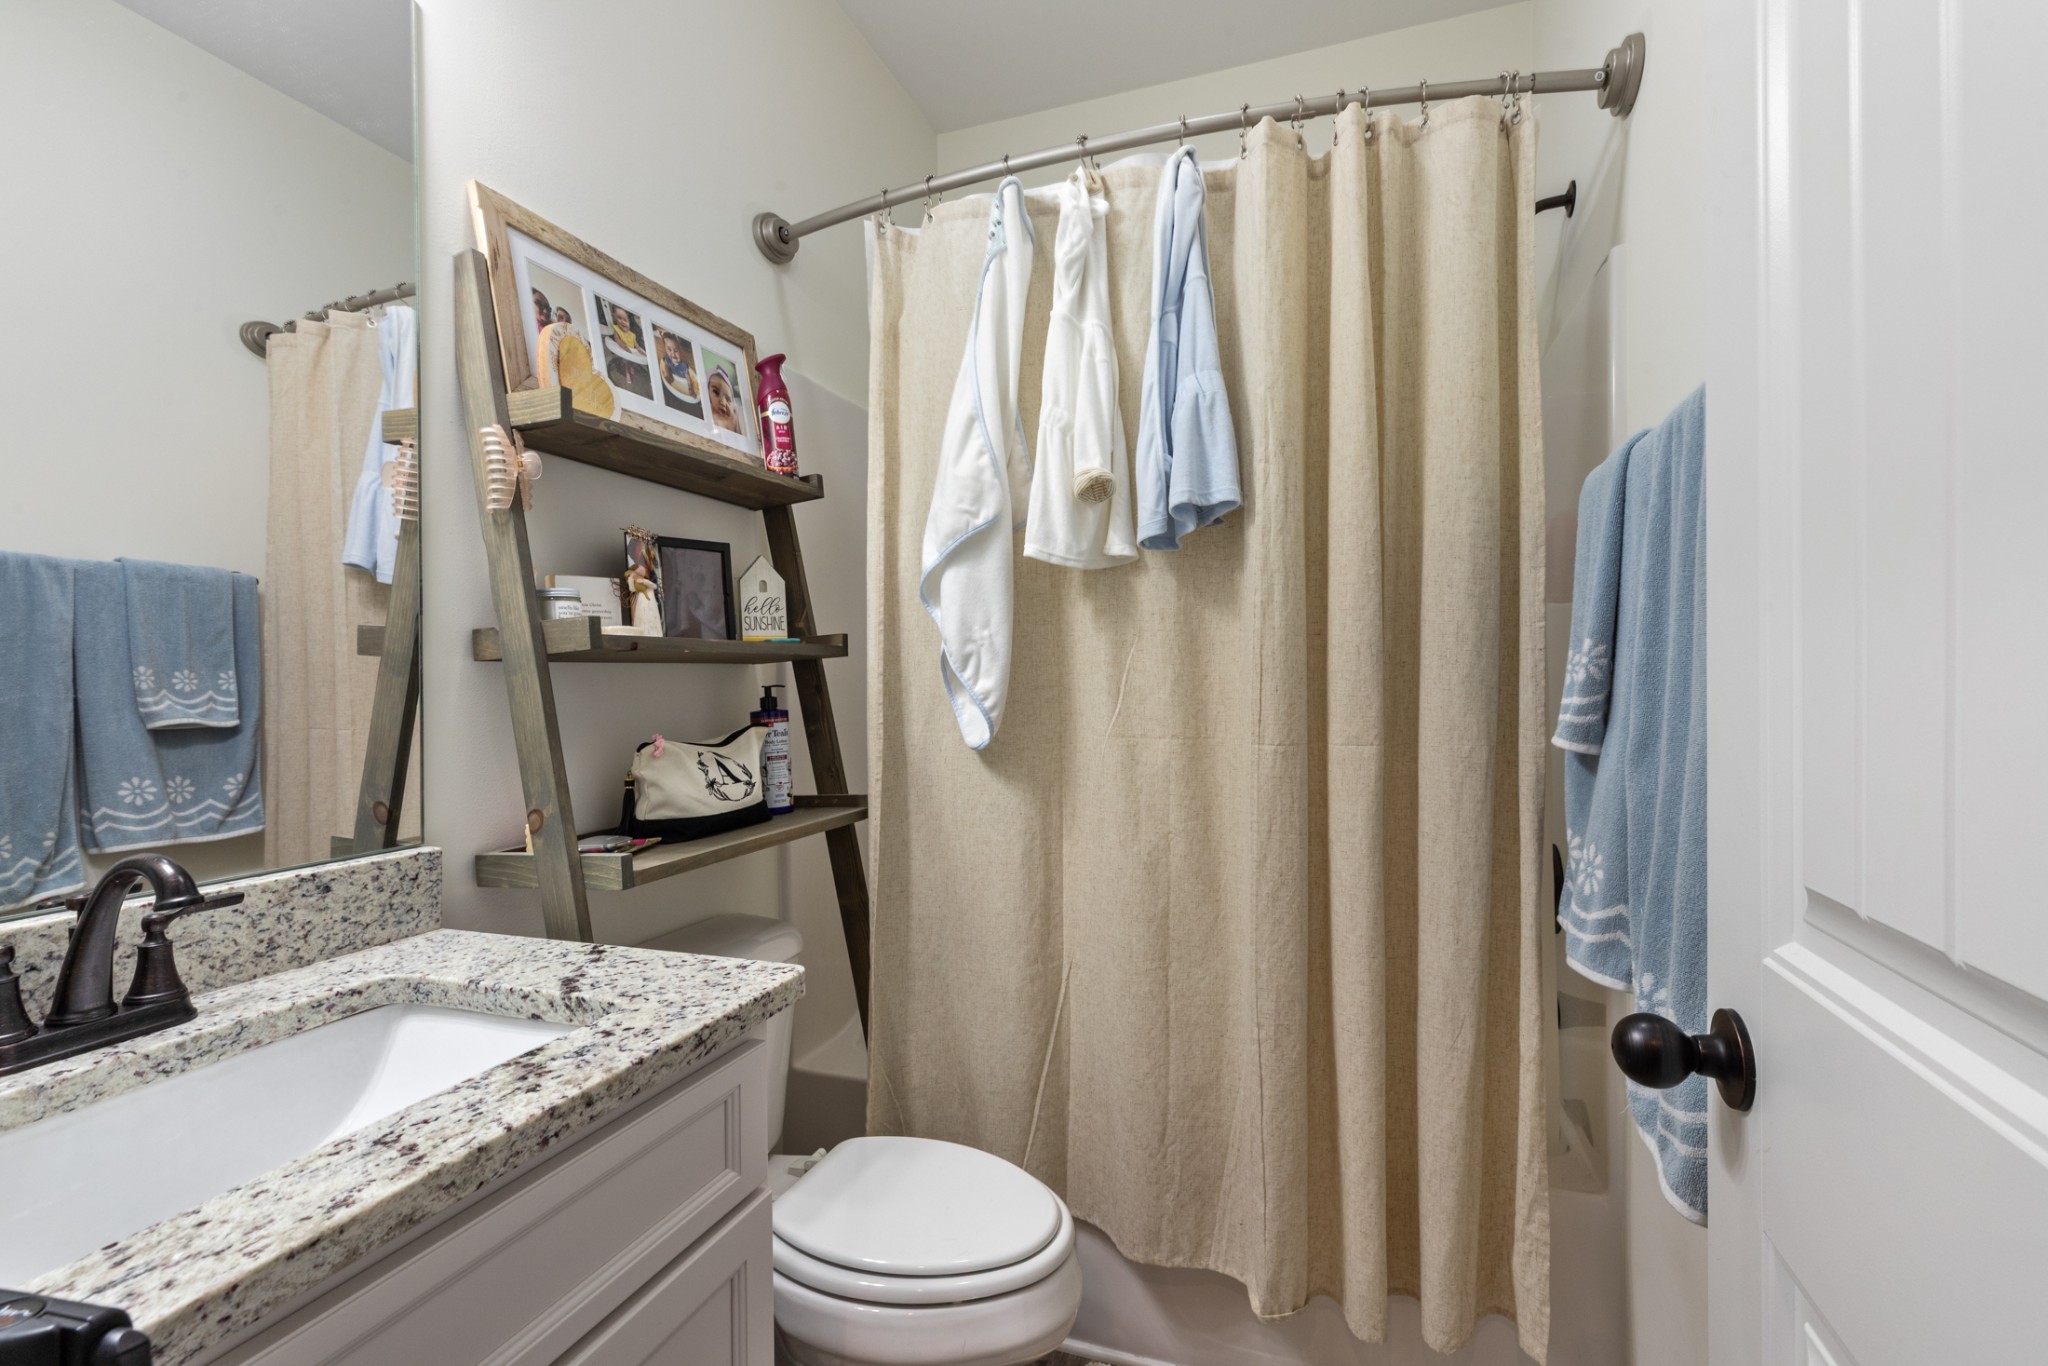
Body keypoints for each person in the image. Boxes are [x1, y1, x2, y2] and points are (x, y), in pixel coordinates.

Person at [706, 366, 744, 433]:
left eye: (728, 399)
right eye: (716, 392)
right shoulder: (707, 414)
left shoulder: (734, 419)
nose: (723, 402)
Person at [658, 332, 697, 397]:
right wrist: (667, 373)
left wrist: (691, 390)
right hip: (673, 383)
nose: (673, 354)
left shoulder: (683, 366)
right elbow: (665, 364)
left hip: (682, 383)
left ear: (681, 351)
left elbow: (689, 379)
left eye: (676, 351)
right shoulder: (667, 358)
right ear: (665, 348)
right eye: (669, 349)